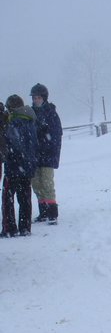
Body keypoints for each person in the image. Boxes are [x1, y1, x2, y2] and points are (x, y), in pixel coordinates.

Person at [1, 95, 38, 237]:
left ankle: (9, 228)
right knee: (25, 198)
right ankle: (25, 227)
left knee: (7, 198)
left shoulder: (14, 123)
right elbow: (33, 145)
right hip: (28, 167)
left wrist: (8, 155)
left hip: (14, 167)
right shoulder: (30, 121)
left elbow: (14, 145)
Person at [30, 83, 62, 224]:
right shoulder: (31, 113)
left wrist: (45, 137)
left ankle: (52, 213)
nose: (36, 100)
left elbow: (56, 135)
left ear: (44, 97)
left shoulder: (51, 113)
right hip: (34, 155)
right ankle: (43, 211)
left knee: (47, 183)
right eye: (34, 98)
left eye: (38, 97)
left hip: (47, 155)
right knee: (36, 184)